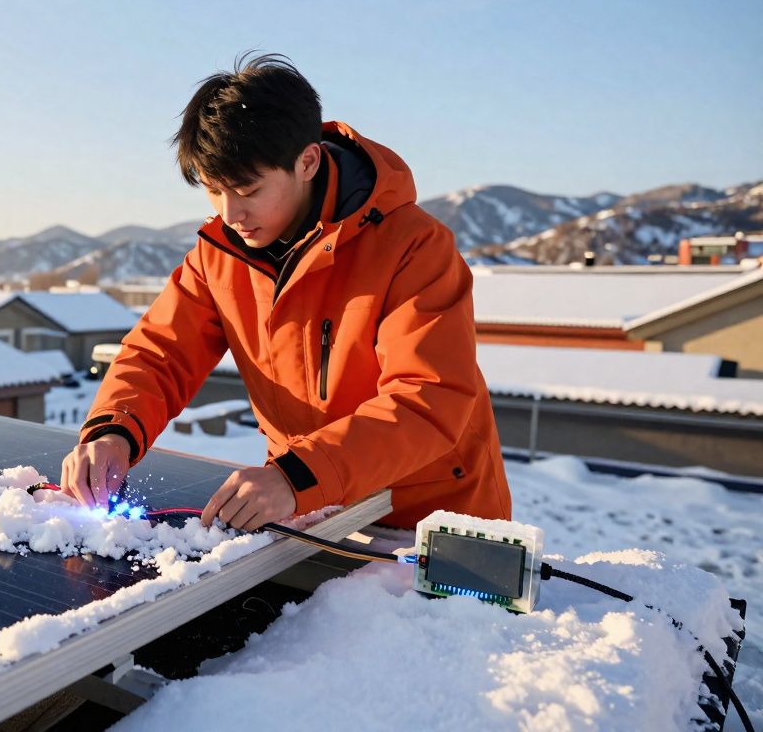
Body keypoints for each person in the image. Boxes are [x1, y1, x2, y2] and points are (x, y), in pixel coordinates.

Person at [60, 53, 511, 532]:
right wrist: (114, 431)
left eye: (248, 190)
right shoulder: (220, 254)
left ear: (307, 161)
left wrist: (296, 477)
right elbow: (160, 353)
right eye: (214, 191)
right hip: (304, 510)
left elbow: (429, 398)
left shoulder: (415, 247)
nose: (231, 213)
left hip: (428, 521)